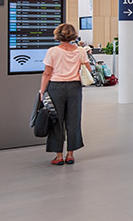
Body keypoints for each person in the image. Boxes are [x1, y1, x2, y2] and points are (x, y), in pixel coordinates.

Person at [39, 23, 88, 165]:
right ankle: (70, 155)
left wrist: (42, 91)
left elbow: (47, 73)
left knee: (56, 121)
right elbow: (87, 70)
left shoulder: (52, 51)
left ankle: (59, 156)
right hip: (74, 87)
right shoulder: (80, 51)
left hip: (56, 88)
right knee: (74, 121)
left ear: (58, 35)